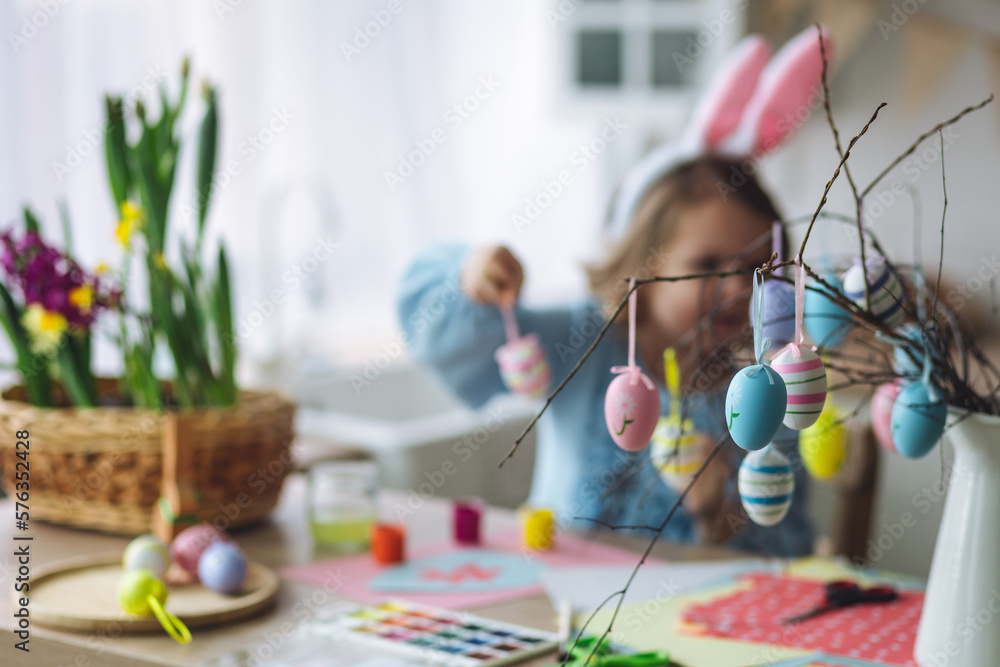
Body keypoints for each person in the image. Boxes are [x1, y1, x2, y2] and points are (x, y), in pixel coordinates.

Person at [398, 27, 831, 557]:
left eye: (757, 267)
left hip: (694, 627)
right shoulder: (583, 341)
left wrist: (716, 512)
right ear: (639, 270)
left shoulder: (770, 392)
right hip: (568, 613)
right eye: (708, 264)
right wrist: (471, 275)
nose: (738, 287)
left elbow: (791, 554)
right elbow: (444, 339)